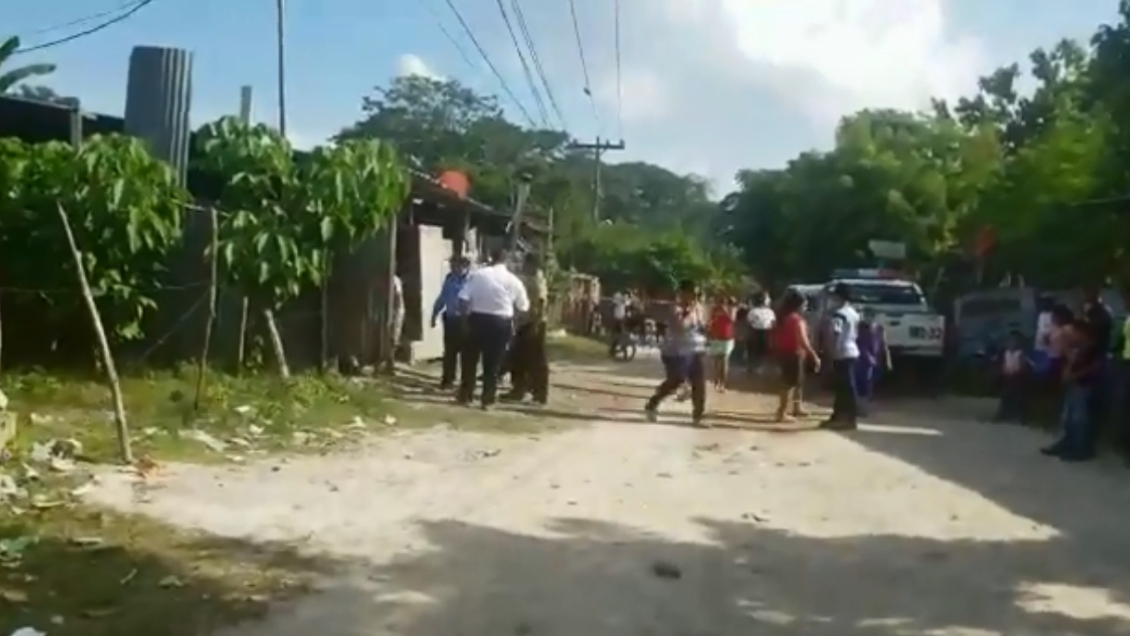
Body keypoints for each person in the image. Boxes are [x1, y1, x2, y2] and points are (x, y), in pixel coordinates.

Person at [456, 248, 529, 410]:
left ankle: (465, 394)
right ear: (506, 261)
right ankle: (487, 399)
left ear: (490, 259)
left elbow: (462, 299)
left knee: (470, 360)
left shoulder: (478, 275)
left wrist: (464, 320)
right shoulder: (513, 280)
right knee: (493, 363)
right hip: (501, 322)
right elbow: (523, 307)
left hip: (477, 319)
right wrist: (514, 325)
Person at [645, 279, 708, 427]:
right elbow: (681, 326)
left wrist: (700, 318)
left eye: (696, 294)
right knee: (676, 380)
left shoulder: (699, 308)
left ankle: (698, 415)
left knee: (699, 383)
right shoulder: (675, 308)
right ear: (682, 293)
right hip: (675, 351)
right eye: (691, 294)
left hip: (696, 349)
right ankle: (653, 402)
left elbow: (702, 326)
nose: (694, 297)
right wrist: (689, 312)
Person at [1042, 320, 1101, 461]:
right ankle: (1067, 443)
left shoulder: (1091, 348)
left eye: (1075, 332)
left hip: (1084, 386)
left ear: (1082, 332)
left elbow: (1095, 367)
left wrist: (1075, 375)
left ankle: (1081, 448)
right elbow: (1069, 364)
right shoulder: (1076, 347)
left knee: (1079, 418)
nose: (1072, 335)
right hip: (1073, 386)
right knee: (1068, 417)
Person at [505, 253, 549, 404]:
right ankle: (519, 389)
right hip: (524, 322)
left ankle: (539, 393)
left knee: (536, 361)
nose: (523, 265)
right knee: (518, 358)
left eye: (525, 263)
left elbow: (541, 303)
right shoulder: (528, 278)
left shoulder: (537, 279)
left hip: (534, 323)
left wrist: (536, 324)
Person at [772, 289, 819, 421]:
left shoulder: (784, 317)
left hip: (786, 352)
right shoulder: (796, 320)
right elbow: (803, 340)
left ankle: (797, 408)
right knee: (790, 384)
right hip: (794, 353)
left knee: (797, 382)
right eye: (804, 304)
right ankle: (781, 413)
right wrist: (814, 355)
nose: (806, 307)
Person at [821, 282, 861, 430]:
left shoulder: (837, 314)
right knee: (843, 387)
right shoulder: (853, 312)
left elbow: (835, 335)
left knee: (845, 387)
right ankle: (839, 415)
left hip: (841, 352)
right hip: (851, 350)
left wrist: (830, 353)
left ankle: (849, 417)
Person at [430, 255, 471, 390]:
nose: (453, 268)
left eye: (456, 265)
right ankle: (448, 379)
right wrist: (434, 314)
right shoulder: (449, 279)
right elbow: (443, 297)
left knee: (467, 353)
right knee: (449, 351)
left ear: (465, 267)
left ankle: (466, 383)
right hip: (451, 318)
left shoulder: (472, 280)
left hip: (466, 320)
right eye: (452, 265)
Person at [854, 308, 891, 410]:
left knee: (871, 381)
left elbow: (884, 344)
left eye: (870, 315)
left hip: (875, 359)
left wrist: (888, 360)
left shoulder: (879, 328)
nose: (868, 318)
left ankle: (865, 403)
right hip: (862, 359)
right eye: (866, 315)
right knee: (863, 382)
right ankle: (861, 405)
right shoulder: (859, 327)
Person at [994, 330, 1030, 424]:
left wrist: (1017, 372)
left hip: (1017, 378)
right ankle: (1004, 413)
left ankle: (1018, 415)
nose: (1011, 343)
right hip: (1006, 377)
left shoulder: (1021, 354)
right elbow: (999, 365)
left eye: (1014, 341)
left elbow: (1023, 367)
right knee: (1006, 392)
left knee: (1017, 392)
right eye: (1010, 341)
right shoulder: (1004, 353)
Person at [707, 295, 736, 392]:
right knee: (716, 361)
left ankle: (722, 384)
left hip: (727, 338)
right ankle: (716, 382)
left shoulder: (731, 309)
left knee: (724, 360)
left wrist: (725, 311)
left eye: (723, 302)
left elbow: (732, 320)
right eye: (719, 301)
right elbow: (709, 322)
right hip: (715, 337)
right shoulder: (714, 310)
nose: (721, 304)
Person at [746, 292, 775, 374]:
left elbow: (749, 323)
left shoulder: (768, 312)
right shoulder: (768, 312)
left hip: (761, 334)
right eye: (767, 298)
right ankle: (756, 369)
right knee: (759, 353)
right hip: (760, 334)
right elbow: (773, 324)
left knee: (759, 353)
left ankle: (756, 369)